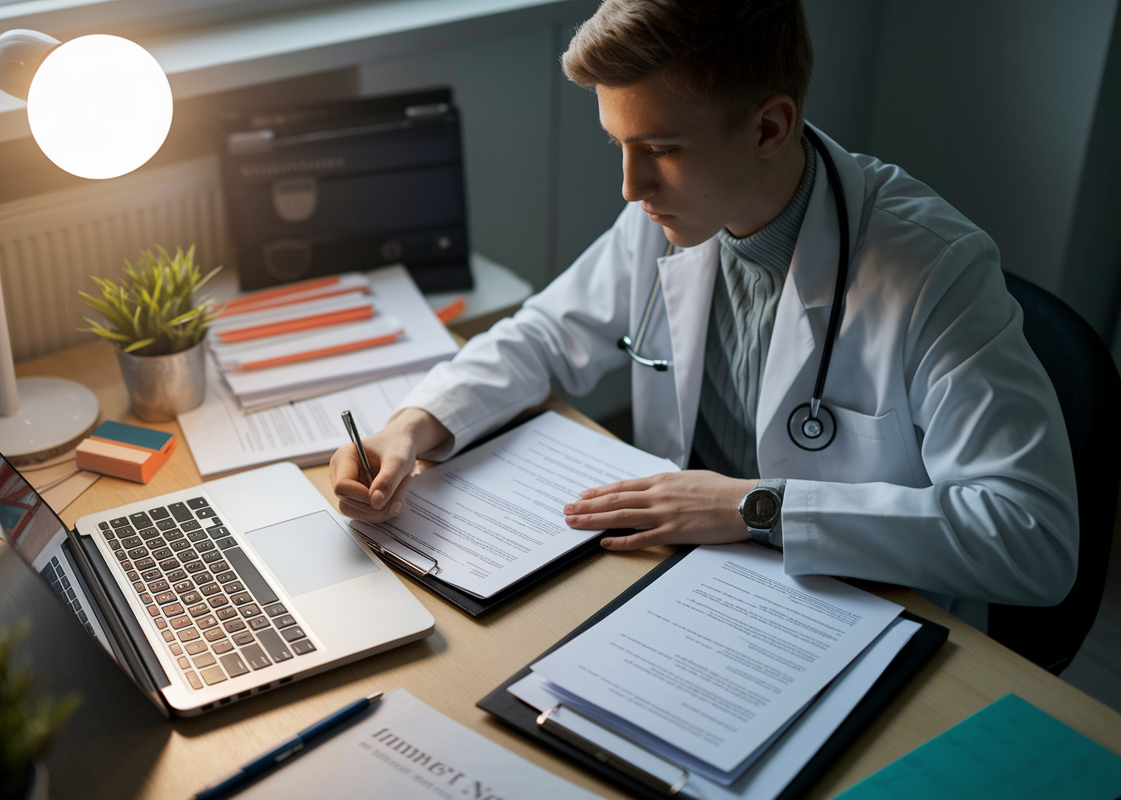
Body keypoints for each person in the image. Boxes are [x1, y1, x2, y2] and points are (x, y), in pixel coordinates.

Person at [329, 0, 1078, 631]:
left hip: (863, 608)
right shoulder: (672, 213)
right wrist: (412, 425)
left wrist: (757, 507)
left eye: (659, 148)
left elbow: (1033, 537)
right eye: (620, 145)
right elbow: (547, 333)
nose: (629, 185)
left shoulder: (935, 270)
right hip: (690, 585)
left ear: (768, 128)